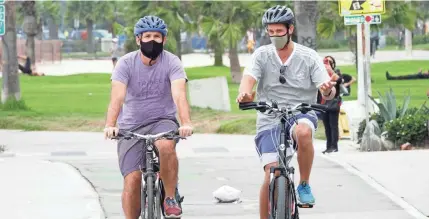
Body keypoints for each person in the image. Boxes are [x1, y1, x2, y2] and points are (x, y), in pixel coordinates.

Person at [236, 5, 336, 219]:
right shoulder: (261, 55)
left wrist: (328, 90)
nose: (274, 36)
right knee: (270, 174)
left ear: (290, 29)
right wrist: (245, 94)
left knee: (303, 132)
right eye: (270, 32)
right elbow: (248, 80)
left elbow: (326, 90)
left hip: (301, 112)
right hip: (269, 116)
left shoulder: (308, 56)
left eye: (279, 32)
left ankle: (304, 184)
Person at [104, 15, 193, 219]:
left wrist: (186, 122)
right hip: (131, 125)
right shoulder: (126, 64)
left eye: (157, 36)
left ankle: (170, 196)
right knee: (133, 179)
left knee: (165, 146)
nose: (152, 40)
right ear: (138, 39)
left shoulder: (172, 62)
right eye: (147, 36)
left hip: (162, 120)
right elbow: (117, 97)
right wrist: (110, 125)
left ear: (164, 39)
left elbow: (179, 95)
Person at [321, 56, 343, 154]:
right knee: (327, 126)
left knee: (333, 125)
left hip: (334, 103)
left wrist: (330, 70)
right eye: (326, 61)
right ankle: (328, 146)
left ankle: (334, 146)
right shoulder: (321, 74)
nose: (327, 63)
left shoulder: (336, 73)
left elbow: (339, 80)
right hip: (324, 104)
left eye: (330, 61)